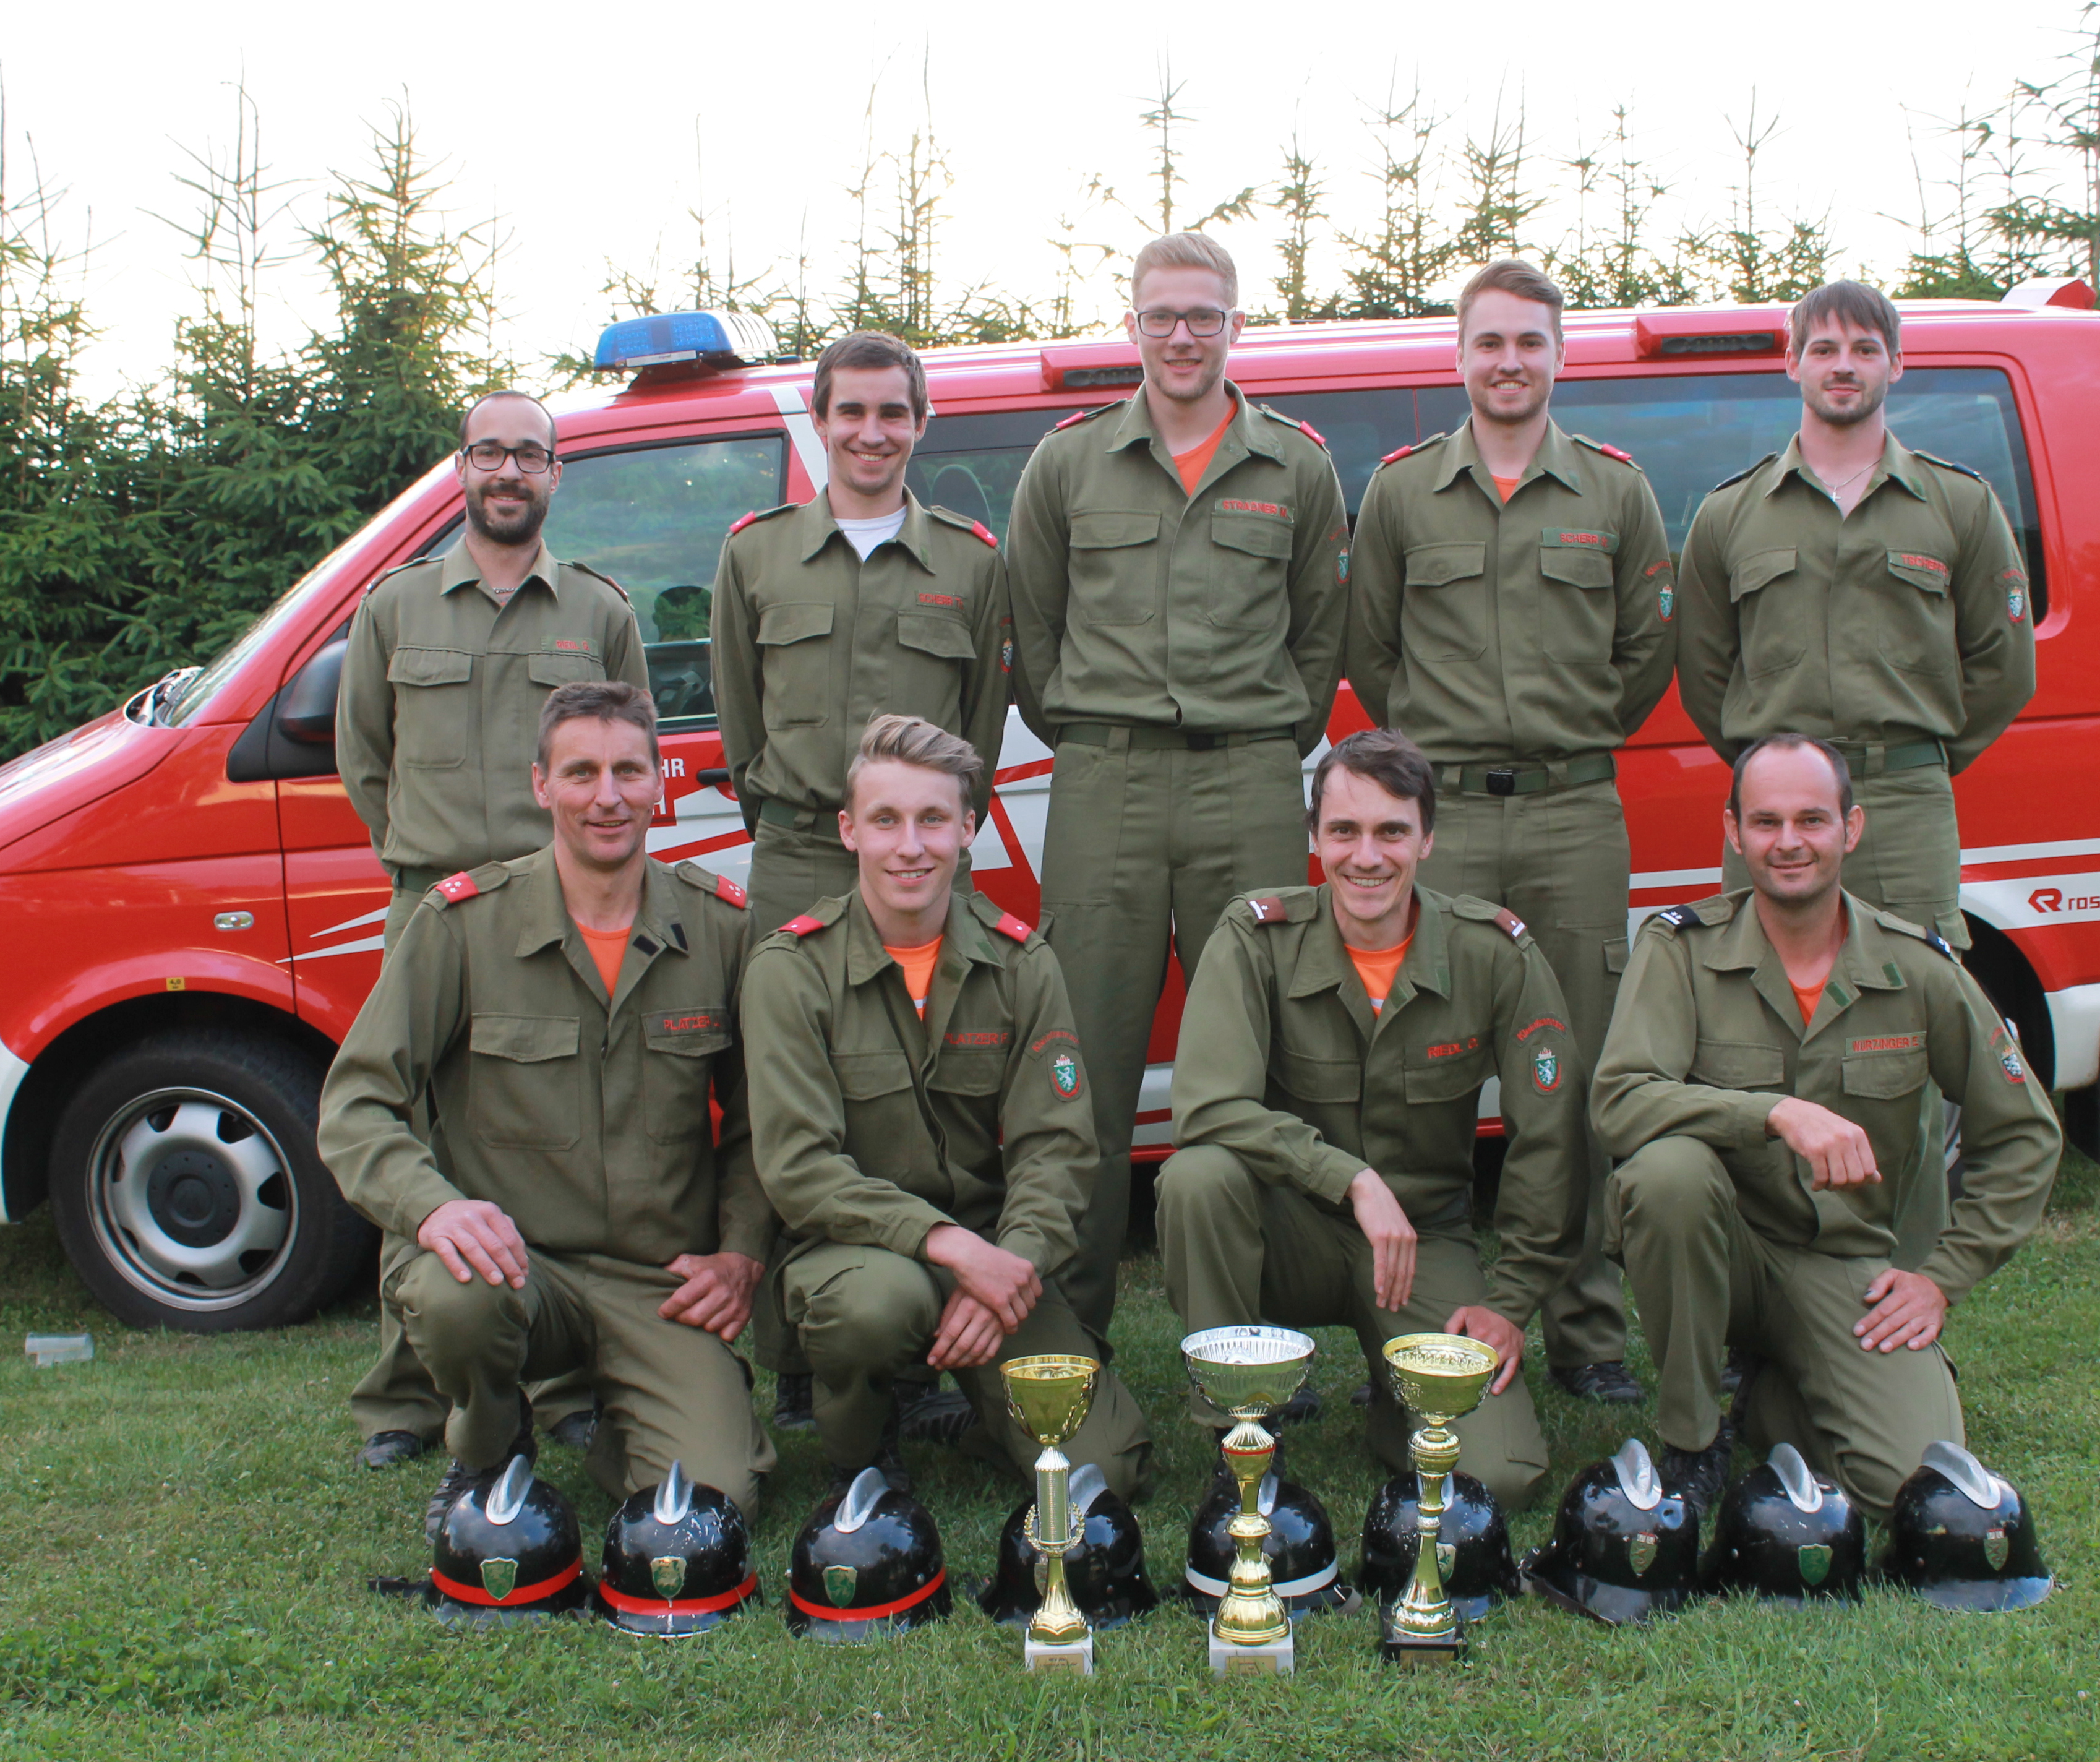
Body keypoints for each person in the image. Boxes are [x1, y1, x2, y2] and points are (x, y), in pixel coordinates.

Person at [319, 682, 776, 1526]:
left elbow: (760, 1122)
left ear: (659, 782)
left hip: (655, 1281)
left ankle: (626, 1419)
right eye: (581, 772)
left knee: (716, 1504)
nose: (608, 797)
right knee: (458, 1301)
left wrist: (741, 1252)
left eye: (629, 771)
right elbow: (357, 1102)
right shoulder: (462, 925)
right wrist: (434, 1210)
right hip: (510, 1266)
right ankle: (489, 1446)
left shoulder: (720, 928)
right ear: (541, 785)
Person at [1005, 232, 1350, 1337]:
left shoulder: (1295, 466)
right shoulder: (1068, 463)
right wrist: (1095, 733)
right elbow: (1032, 630)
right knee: (1083, 1065)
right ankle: (1070, 1335)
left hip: (1248, 779)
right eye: (1162, 315)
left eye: (1204, 315)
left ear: (1236, 324)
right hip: (1104, 780)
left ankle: (1260, 1326)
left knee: (1262, 1060)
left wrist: (1265, 740)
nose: (1183, 335)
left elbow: (1321, 634)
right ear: (1133, 325)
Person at [1346, 257, 1675, 1409]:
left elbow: (1647, 652)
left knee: (1573, 1070)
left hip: (1572, 813)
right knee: (1409, 1068)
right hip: (1437, 821)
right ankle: (1401, 1318)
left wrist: (1569, 736)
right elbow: (1371, 650)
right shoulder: (1400, 494)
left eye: (1530, 342)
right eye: (1489, 341)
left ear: (1560, 355)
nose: (1509, 362)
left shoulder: (1615, 493)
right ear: (1459, 355)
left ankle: (1584, 1326)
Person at [1593, 734, 2060, 1516]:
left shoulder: (1915, 967)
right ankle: (1694, 1442)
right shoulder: (1681, 951)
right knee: (1667, 1174)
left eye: (1812, 820)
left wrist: (1942, 1277)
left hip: (1847, 1264)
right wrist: (1776, 1112)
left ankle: (1778, 1392)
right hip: (1719, 1254)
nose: (1789, 842)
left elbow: (2025, 1132)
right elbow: (1620, 1099)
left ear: (1852, 827)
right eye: (1766, 821)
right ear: (1734, 833)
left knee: (1910, 1487)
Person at [335, 390, 646, 1468]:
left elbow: (622, 754)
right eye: (489, 452)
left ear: (556, 473)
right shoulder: (395, 607)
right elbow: (364, 758)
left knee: (555, 1135)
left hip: (556, 909)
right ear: (461, 468)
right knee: (416, 1138)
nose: (508, 470)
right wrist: (422, 860)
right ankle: (404, 1397)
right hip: (430, 904)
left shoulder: (598, 611)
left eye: (529, 454)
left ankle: (564, 1381)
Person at [710, 330, 1012, 1436]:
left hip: (922, 860)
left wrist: (924, 832)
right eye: (852, 412)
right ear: (821, 420)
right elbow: (741, 720)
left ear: (920, 423)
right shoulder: (756, 556)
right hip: (798, 848)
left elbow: (977, 733)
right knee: (783, 1090)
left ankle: (919, 1338)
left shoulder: (972, 565)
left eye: (893, 412)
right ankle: (798, 1348)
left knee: (923, 1086)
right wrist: (800, 826)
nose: (872, 433)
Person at [1156, 729, 1584, 1509]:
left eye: (1391, 831)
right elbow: (1208, 1107)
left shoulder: (1493, 951)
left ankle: (1398, 1401)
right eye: (1344, 831)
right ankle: (1240, 1436)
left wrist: (1510, 1301)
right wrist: (1351, 1179)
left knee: (1499, 1478)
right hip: (1289, 1231)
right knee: (1198, 1178)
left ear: (1427, 838)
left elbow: (1550, 1136)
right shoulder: (1257, 938)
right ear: (1315, 837)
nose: (1367, 856)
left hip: (1421, 1246)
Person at [739, 715, 1153, 1500]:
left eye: (933, 819)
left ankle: (980, 1423)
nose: (911, 846)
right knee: (875, 1307)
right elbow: (799, 1168)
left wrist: (1012, 1266)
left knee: (1108, 1471)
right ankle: (861, 1442)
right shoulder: (791, 970)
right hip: (854, 1252)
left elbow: (1057, 1148)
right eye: (886, 820)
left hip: (994, 1250)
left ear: (968, 828)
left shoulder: (1021, 962)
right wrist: (951, 1249)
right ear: (849, 830)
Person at [1674, 280, 2036, 953]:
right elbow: (1702, 670)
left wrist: (1918, 757)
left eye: (1865, 349)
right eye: (1824, 349)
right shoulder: (1730, 513)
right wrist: (1773, 764)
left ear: (1895, 364)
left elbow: (2005, 667)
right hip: (1773, 809)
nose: (1844, 365)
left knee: (1915, 982)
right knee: (1759, 983)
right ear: (1793, 362)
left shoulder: (1960, 504)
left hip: (1904, 807)